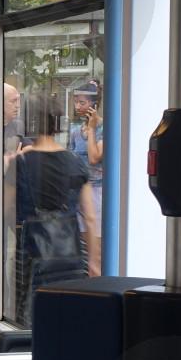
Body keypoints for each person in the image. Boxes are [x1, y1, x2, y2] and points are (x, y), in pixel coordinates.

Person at [10, 95, 99, 322]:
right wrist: (93, 261)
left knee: (30, 317)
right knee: (68, 317)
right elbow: (89, 217)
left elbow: (6, 211)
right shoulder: (75, 162)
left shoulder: (21, 163)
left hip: (31, 256)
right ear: (58, 122)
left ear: (30, 122)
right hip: (70, 255)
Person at [68, 83, 105, 274]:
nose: (77, 107)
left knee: (95, 255)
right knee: (84, 252)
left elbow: (94, 157)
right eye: (76, 102)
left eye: (82, 103)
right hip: (79, 191)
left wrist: (91, 130)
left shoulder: (104, 128)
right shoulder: (75, 130)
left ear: (94, 105)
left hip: (96, 191)